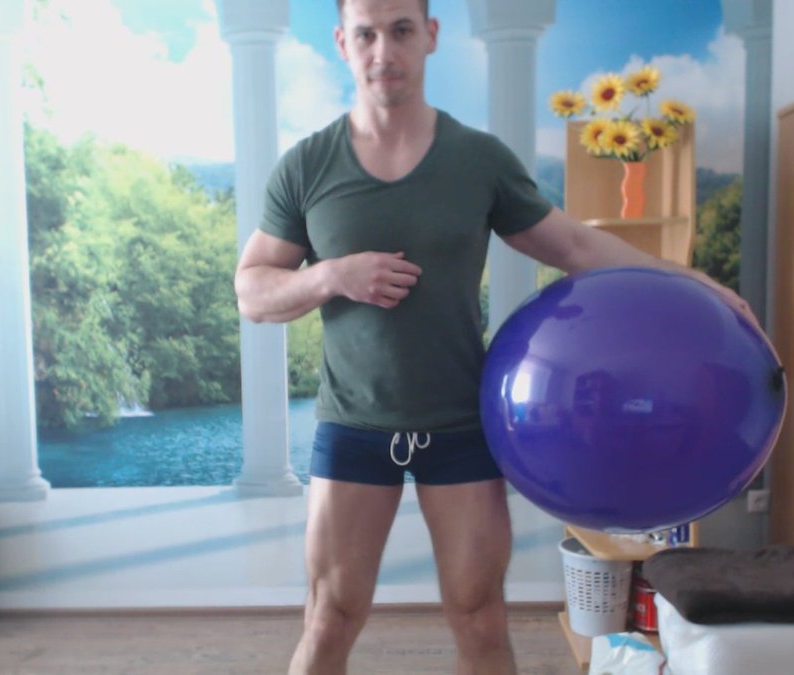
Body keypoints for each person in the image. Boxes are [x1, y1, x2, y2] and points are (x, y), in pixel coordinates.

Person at [234, 1, 756, 673]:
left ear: (430, 35)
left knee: (479, 615)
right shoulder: (307, 165)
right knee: (330, 614)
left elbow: (573, 246)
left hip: (460, 427)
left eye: (400, 30)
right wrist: (331, 274)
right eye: (366, 34)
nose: (383, 51)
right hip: (353, 427)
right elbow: (252, 290)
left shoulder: (476, 160)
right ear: (342, 42)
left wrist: (696, 283)